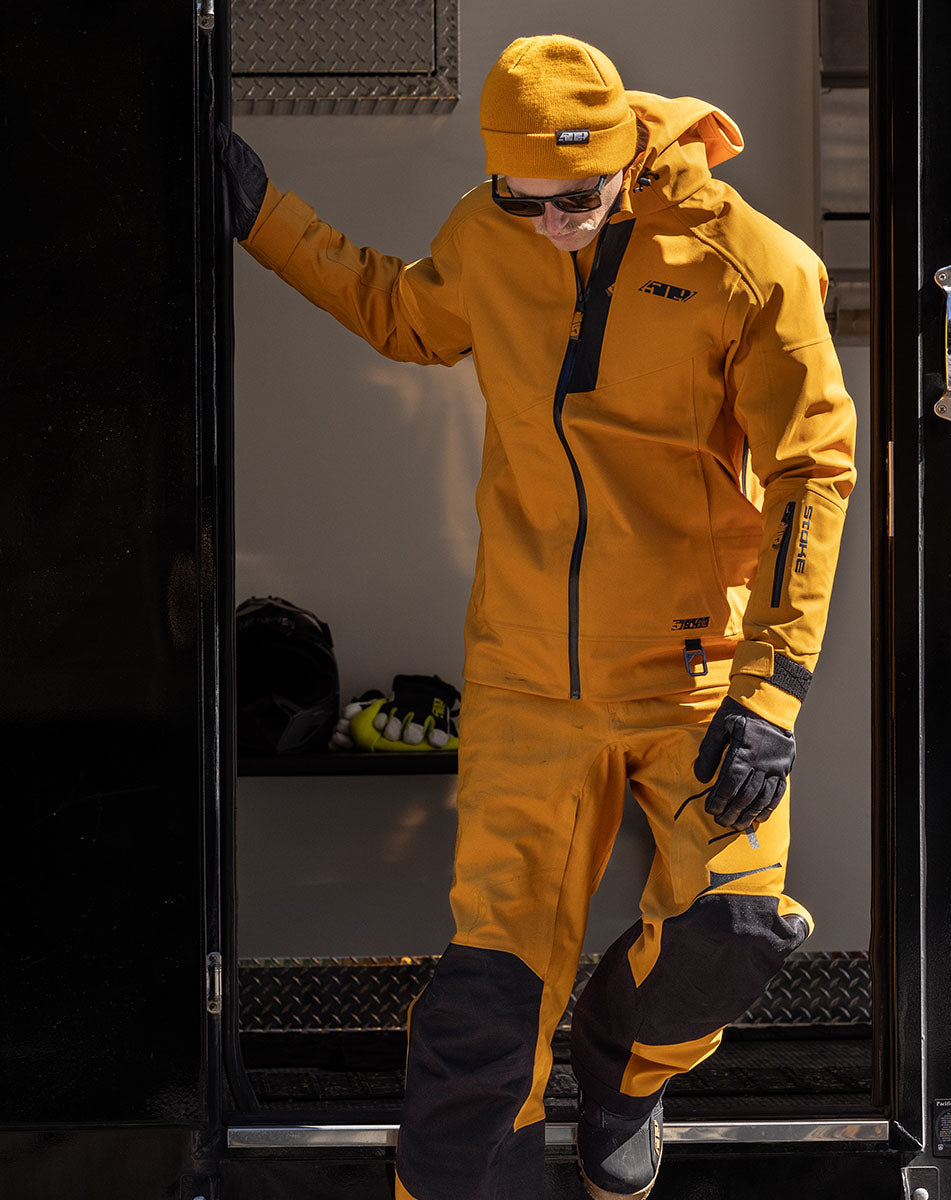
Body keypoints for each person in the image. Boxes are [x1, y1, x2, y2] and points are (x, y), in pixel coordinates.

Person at [219, 33, 856, 1200]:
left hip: (692, 677)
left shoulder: (747, 262)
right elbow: (401, 313)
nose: (551, 222)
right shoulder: (488, 231)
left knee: (732, 934)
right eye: (525, 197)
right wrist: (265, 218)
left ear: (627, 159)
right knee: (487, 1004)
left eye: (578, 198)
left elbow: (812, 474)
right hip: (526, 680)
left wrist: (774, 692)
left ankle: (626, 1073)